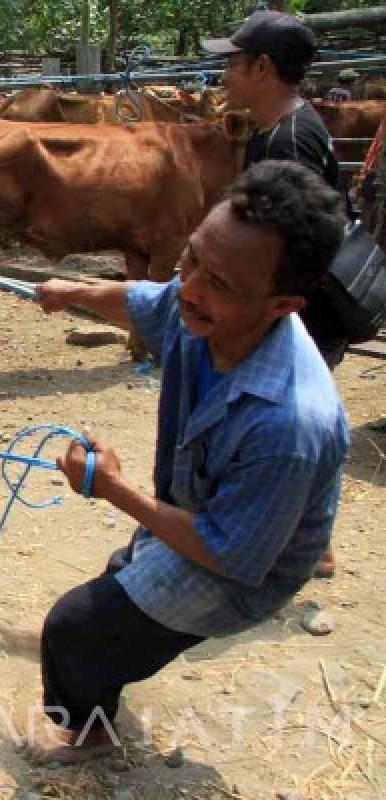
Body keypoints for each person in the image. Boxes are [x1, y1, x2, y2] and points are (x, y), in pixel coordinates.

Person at [3, 161, 348, 766]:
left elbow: (229, 555)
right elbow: (150, 302)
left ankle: (88, 727)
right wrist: (76, 293)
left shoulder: (289, 423)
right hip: (205, 516)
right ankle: (100, 655)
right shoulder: (204, 307)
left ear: (282, 303)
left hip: (243, 570)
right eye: (190, 260)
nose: (190, 287)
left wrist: (115, 490)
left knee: (73, 626)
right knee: (125, 572)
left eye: (219, 282)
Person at [205, 9, 346, 578]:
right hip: (293, 309)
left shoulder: (288, 140)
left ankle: (284, 545)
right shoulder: (288, 127)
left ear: (263, 67)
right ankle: (310, 544)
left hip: (291, 313)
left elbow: (287, 244)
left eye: (233, 63)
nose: (225, 76)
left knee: (277, 430)